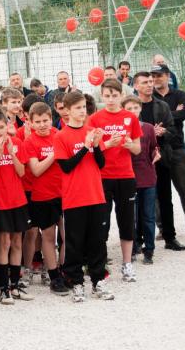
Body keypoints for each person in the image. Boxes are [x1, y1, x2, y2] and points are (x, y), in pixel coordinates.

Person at [53, 91, 113, 302]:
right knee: (75, 243)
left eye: (83, 107)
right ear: (67, 111)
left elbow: (101, 164)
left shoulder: (92, 131)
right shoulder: (60, 136)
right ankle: (76, 282)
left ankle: (98, 280)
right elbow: (66, 167)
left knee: (97, 241)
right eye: (77, 108)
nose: (82, 111)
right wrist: (85, 147)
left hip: (96, 195)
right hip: (74, 198)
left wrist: (95, 145)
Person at [89, 79, 142, 282]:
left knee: (127, 221)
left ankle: (127, 264)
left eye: (114, 95)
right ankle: (100, 265)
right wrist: (105, 144)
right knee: (101, 223)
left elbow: (137, 149)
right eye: (107, 95)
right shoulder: (94, 119)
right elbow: (91, 151)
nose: (110, 99)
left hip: (126, 176)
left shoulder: (130, 118)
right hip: (102, 177)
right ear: (101, 96)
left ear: (121, 95)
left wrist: (129, 144)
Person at [0, 108, 31, 303]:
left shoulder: (17, 143)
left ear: (7, 126)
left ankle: (15, 285)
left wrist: (12, 153)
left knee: (17, 242)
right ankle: (4, 289)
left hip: (18, 201)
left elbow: (21, 172)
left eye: (1, 127)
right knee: (4, 243)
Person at [133, 71, 185, 251]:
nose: (149, 84)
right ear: (136, 86)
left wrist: (163, 132)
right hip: (139, 161)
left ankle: (170, 238)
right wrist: (147, 133)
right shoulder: (131, 107)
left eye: (150, 81)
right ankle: (139, 240)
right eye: (144, 82)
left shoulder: (162, 106)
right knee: (139, 201)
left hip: (161, 157)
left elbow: (173, 131)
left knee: (165, 198)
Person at [152, 64, 185, 237]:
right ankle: (163, 228)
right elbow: (149, 120)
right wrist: (173, 113)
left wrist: (163, 117)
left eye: (159, 75)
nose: (156, 79)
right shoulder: (148, 97)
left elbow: (182, 115)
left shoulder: (179, 94)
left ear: (168, 76)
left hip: (176, 147)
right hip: (156, 150)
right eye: (153, 75)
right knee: (159, 192)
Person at [24, 102, 69, 295]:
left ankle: (65, 270)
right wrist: (53, 155)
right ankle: (54, 276)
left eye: (46, 120)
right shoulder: (30, 142)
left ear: (52, 119)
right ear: (31, 122)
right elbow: (36, 169)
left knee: (68, 235)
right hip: (43, 196)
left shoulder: (59, 135)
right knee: (48, 236)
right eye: (38, 121)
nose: (42, 124)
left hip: (65, 192)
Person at [122, 96, 158, 264]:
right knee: (131, 216)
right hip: (129, 177)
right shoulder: (120, 129)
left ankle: (149, 249)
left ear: (141, 109)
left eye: (136, 107)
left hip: (148, 176)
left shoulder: (149, 128)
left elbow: (153, 147)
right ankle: (134, 245)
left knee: (149, 215)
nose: (133, 111)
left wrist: (156, 154)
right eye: (129, 108)